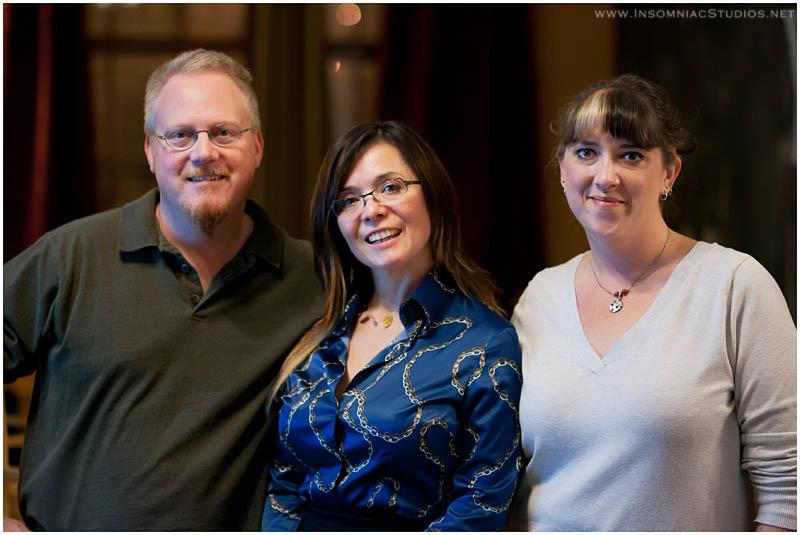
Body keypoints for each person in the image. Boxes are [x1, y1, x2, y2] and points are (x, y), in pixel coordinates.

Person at [3, 49, 322, 531]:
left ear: (257, 147)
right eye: (180, 135)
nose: (204, 152)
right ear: (151, 153)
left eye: (224, 132)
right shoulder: (70, 257)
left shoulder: (311, 279)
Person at [508, 74, 796, 531]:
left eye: (631, 155)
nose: (605, 176)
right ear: (563, 169)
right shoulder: (539, 297)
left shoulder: (735, 286)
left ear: (669, 172)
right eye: (586, 153)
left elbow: (788, 488)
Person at [260, 121, 523, 531]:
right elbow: (285, 485)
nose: (371, 210)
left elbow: (481, 504)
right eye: (349, 200)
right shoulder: (319, 335)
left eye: (391, 187)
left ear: (432, 194)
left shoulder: (486, 342)